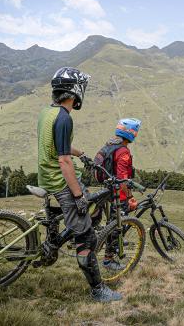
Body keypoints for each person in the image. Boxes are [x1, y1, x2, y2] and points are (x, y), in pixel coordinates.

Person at [37, 66, 122, 302]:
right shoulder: (64, 118)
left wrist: (80, 152)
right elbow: (63, 160)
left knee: (82, 215)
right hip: (59, 180)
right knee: (86, 237)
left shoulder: (48, 112)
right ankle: (98, 290)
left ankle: (54, 242)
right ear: (74, 91)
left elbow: (58, 146)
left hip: (45, 176)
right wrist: (77, 196)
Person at [101, 118, 141, 270]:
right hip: (119, 194)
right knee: (116, 224)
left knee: (114, 221)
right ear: (131, 133)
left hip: (108, 190)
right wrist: (130, 196)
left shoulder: (111, 144)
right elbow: (123, 178)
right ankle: (108, 259)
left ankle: (117, 241)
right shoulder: (123, 151)